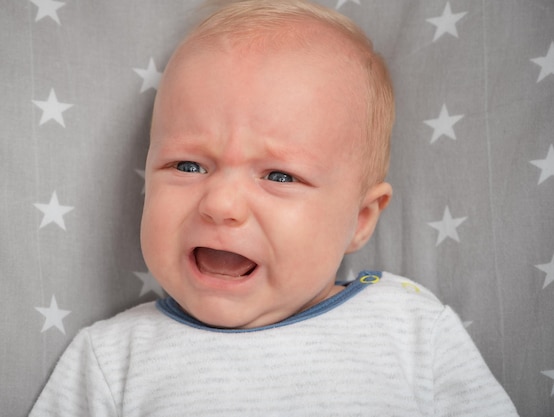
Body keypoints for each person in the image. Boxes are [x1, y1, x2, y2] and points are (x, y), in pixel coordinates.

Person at [29, 0, 518, 415]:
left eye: (279, 176)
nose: (220, 204)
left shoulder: (412, 330)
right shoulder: (113, 357)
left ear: (361, 219)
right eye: (187, 165)